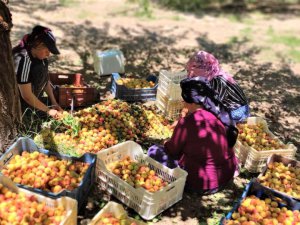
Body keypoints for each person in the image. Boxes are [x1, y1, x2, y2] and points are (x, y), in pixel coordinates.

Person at [148, 77, 239, 194]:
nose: (182, 102)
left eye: (183, 99)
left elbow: (172, 151)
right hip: (225, 176)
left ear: (189, 101)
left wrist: (165, 142)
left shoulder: (187, 123)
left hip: (201, 184)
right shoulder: (217, 116)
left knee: (153, 150)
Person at [13, 25, 63, 119]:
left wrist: (54, 102)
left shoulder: (41, 57)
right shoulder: (24, 60)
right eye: (47, 50)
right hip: (22, 105)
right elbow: (26, 96)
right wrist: (48, 110)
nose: (49, 54)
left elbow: (45, 80)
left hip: (35, 98)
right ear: (38, 44)